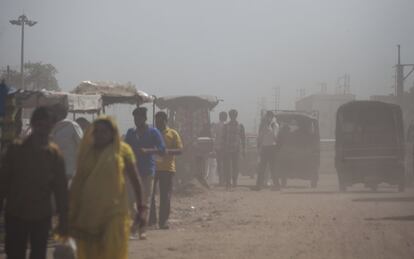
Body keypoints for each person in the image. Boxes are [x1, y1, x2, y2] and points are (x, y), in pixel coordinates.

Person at [69, 116, 145, 259]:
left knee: (112, 253)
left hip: (114, 213)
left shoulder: (123, 150)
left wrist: (141, 209)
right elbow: (78, 182)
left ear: (112, 133)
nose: (99, 135)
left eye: (104, 132)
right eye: (96, 132)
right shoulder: (86, 152)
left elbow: (136, 180)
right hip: (88, 214)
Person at [0, 106, 69, 259]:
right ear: (33, 124)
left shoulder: (54, 155)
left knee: (38, 254)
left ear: (52, 127)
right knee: (15, 254)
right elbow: (3, 183)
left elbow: (61, 190)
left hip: (41, 217)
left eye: (48, 126)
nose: (43, 130)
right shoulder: (15, 150)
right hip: (16, 214)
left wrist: (64, 219)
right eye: (40, 125)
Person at [124, 107, 165, 239]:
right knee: (129, 201)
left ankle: (141, 230)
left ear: (144, 118)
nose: (136, 120)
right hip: (132, 171)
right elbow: (125, 148)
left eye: (139, 118)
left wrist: (148, 151)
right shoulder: (131, 132)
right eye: (135, 118)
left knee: (144, 202)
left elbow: (162, 149)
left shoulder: (153, 132)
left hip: (148, 171)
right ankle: (138, 224)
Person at [151, 111, 183, 229]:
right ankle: (152, 221)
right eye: (156, 121)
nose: (158, 123)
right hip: (153, 168)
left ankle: (163, 221)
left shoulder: (173, 133)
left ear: (166, 121)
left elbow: (180, 150)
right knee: (151, 196)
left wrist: (166, 152)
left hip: (167, 169)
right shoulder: (152, 133)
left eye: (160, 121)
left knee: (165, 196)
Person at [51, 104, 83, 181]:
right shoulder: (50, 128)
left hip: (69, 171)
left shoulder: (71, 126)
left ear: (61, 114)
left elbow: (82, 145)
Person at [253, 111, 280, 191]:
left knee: (273, 168)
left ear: (272, 117)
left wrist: (270, 128)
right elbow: (260, 136)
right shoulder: (263, 125)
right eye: (267, 116)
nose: (268, 118)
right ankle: (258, 186)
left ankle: (277, 185)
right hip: (264, 147)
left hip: (272, 147)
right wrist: (259, 145)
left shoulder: (275, 125)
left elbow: (275, 137)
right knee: (262, 168)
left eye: (270, 117)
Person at [222, 109, 245, 190]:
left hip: (236, 149)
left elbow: (243, 138)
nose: (233, 117)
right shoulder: (226, 126)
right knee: (229, 167)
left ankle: (234, 182)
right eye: (232, 115)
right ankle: (229, 183)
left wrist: (243, 149)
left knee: (235, 166)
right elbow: (223, 138)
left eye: (234, 115)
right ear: (230, 116)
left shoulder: (240, 126)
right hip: (228, 149)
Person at [212, 111, 228, 186]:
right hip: (225, 147)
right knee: (225, 163)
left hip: (218, 146)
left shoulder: (216, 125)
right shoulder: (227, 125)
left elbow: (213, 134)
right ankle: (225, 180)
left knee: (219, 163)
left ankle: (221, 180)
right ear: (225, 117)